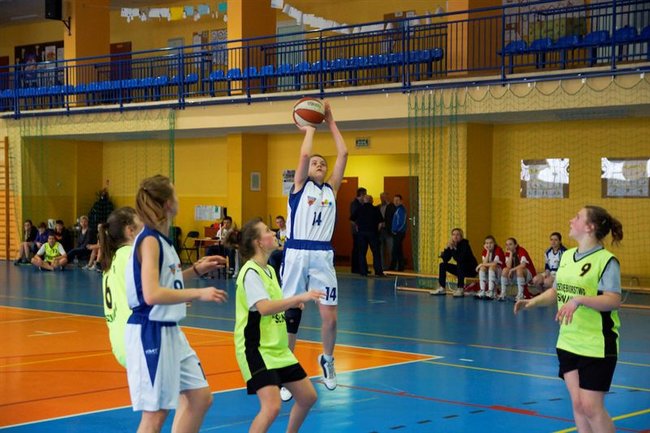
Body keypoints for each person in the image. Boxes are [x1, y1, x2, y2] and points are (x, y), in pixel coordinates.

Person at [124, 175, 228, 433]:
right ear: (168, 203)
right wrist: (198, 293)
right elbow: (152, 294)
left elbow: (167, 281)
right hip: (151, 330)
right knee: (155, 415)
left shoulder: (162, 240)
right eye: (175, 193)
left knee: (200, 397)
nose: (178, 198)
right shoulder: (149, 241)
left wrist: (196, 270)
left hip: (170, 330)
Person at [514, 206, 623, 433]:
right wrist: (532, 302)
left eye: (577, 217)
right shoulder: (566, 257)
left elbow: (613, 300)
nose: (571, 220)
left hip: (597, 343)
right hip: (567, 341)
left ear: (590, 227)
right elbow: (556, 291)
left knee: (591, 407)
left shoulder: (606, 261)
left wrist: (579, 300)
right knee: (578, 404)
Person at [281, 101, 348, 400]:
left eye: (323, 163)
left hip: (322, 255)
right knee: (291, 314)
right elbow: (304, 154)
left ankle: (328, 361)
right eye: (315, 163)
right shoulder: (299, 187)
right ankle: (286, 372)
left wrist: (330, 121)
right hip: (296, 252)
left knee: (330, 317)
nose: (319, 164)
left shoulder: (332, 189)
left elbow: (343, 154)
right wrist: (309, 128)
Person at [234, 218, 321, 432]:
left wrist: (292, 303)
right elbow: (264, 308)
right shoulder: (250, 272)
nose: (273, 233)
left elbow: (273, 303)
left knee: (308, 397)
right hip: (256, 349)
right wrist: (297, 298)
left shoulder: (270, 270)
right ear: (258, 242)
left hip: (278, 349)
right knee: (272, 407)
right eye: (267, 231)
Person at [99, 207, 142, 367]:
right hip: (138, 340)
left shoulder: (111, 261)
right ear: (130, 230)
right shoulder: (130, 255)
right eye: (140, 221)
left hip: (120, 343)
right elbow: (154, 291)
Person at [431, 228, 478, 297]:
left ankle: (460, 288)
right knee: (442, 265)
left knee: (460, 264)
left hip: (471, 270)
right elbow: (446, 260)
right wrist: (446, 248)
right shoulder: (452, 244)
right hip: (460, 270)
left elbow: (459, 259)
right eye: (453, 235)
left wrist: (453, 248)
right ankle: (442, 288)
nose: (455, 236)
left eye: (457, 235)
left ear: (461, 236)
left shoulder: (465, 244)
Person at [351, 194, 384, 277]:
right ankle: (378, 271)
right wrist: (377, 231)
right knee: (376, 252)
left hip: (361, 233)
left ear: (364, 200)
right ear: (372, 201)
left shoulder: (359, 209)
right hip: (373, 233)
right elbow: (380, 223)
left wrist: (357, 227)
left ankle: (363, 271)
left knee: (362, 253)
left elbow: (352, 219)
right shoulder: (375, 209)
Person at [475, 235, 506, 299]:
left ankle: (491, 291)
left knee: (491, 267)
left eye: (491, 243)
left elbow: (494, 264)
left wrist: (481, 264)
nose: (489, 245)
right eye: (487, 243)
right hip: (490, 272)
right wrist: (488, 252)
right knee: (482, 268)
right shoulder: (484, 251)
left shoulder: (498, 249)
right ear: (484, 244)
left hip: (501, 272)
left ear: (494, 243)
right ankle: (482, 290)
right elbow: (484, 264)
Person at [376, 192, 396, 271]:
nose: (382, 199)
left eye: (384, 197)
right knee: (380, 250)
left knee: (391, 249)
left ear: (387, 197)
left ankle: (393, 267)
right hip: (380, 231)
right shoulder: (378, 207)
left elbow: (393, 218)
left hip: (389, 231)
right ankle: (382, 267)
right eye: (381, 197)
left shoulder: (392, 207)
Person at [349, 187, 367, 274]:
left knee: (359, 248)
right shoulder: (355, 204)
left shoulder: (358, 204)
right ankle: (356, 268)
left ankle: (360, 267)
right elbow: (354, 216)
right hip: (357, 230)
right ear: (362, 195)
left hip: (358, 229)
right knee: (357, 249)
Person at [389, 194, 407, 271]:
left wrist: (396, 230)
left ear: (401, 201)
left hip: (399, 233)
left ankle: (392, 267)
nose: (395, 202)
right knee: (399, 250)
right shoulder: (397, 209)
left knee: (395, 250)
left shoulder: (401, 210)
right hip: (397, 232)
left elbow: (402, 222)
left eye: (397, 200)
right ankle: (400, 267)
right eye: (394, 200)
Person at [268, 215, 288, 282]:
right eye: (277, 222)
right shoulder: (278, 233)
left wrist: (279, 248)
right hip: (280, 250)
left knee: (272, 255)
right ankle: (273, 274)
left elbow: (286, 246)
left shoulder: (288, 231)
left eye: (280, 222)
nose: (279, 224)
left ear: (284, 222)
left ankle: (275, 275)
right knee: (269, 253)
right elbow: (276, 244)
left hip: (287, 251)